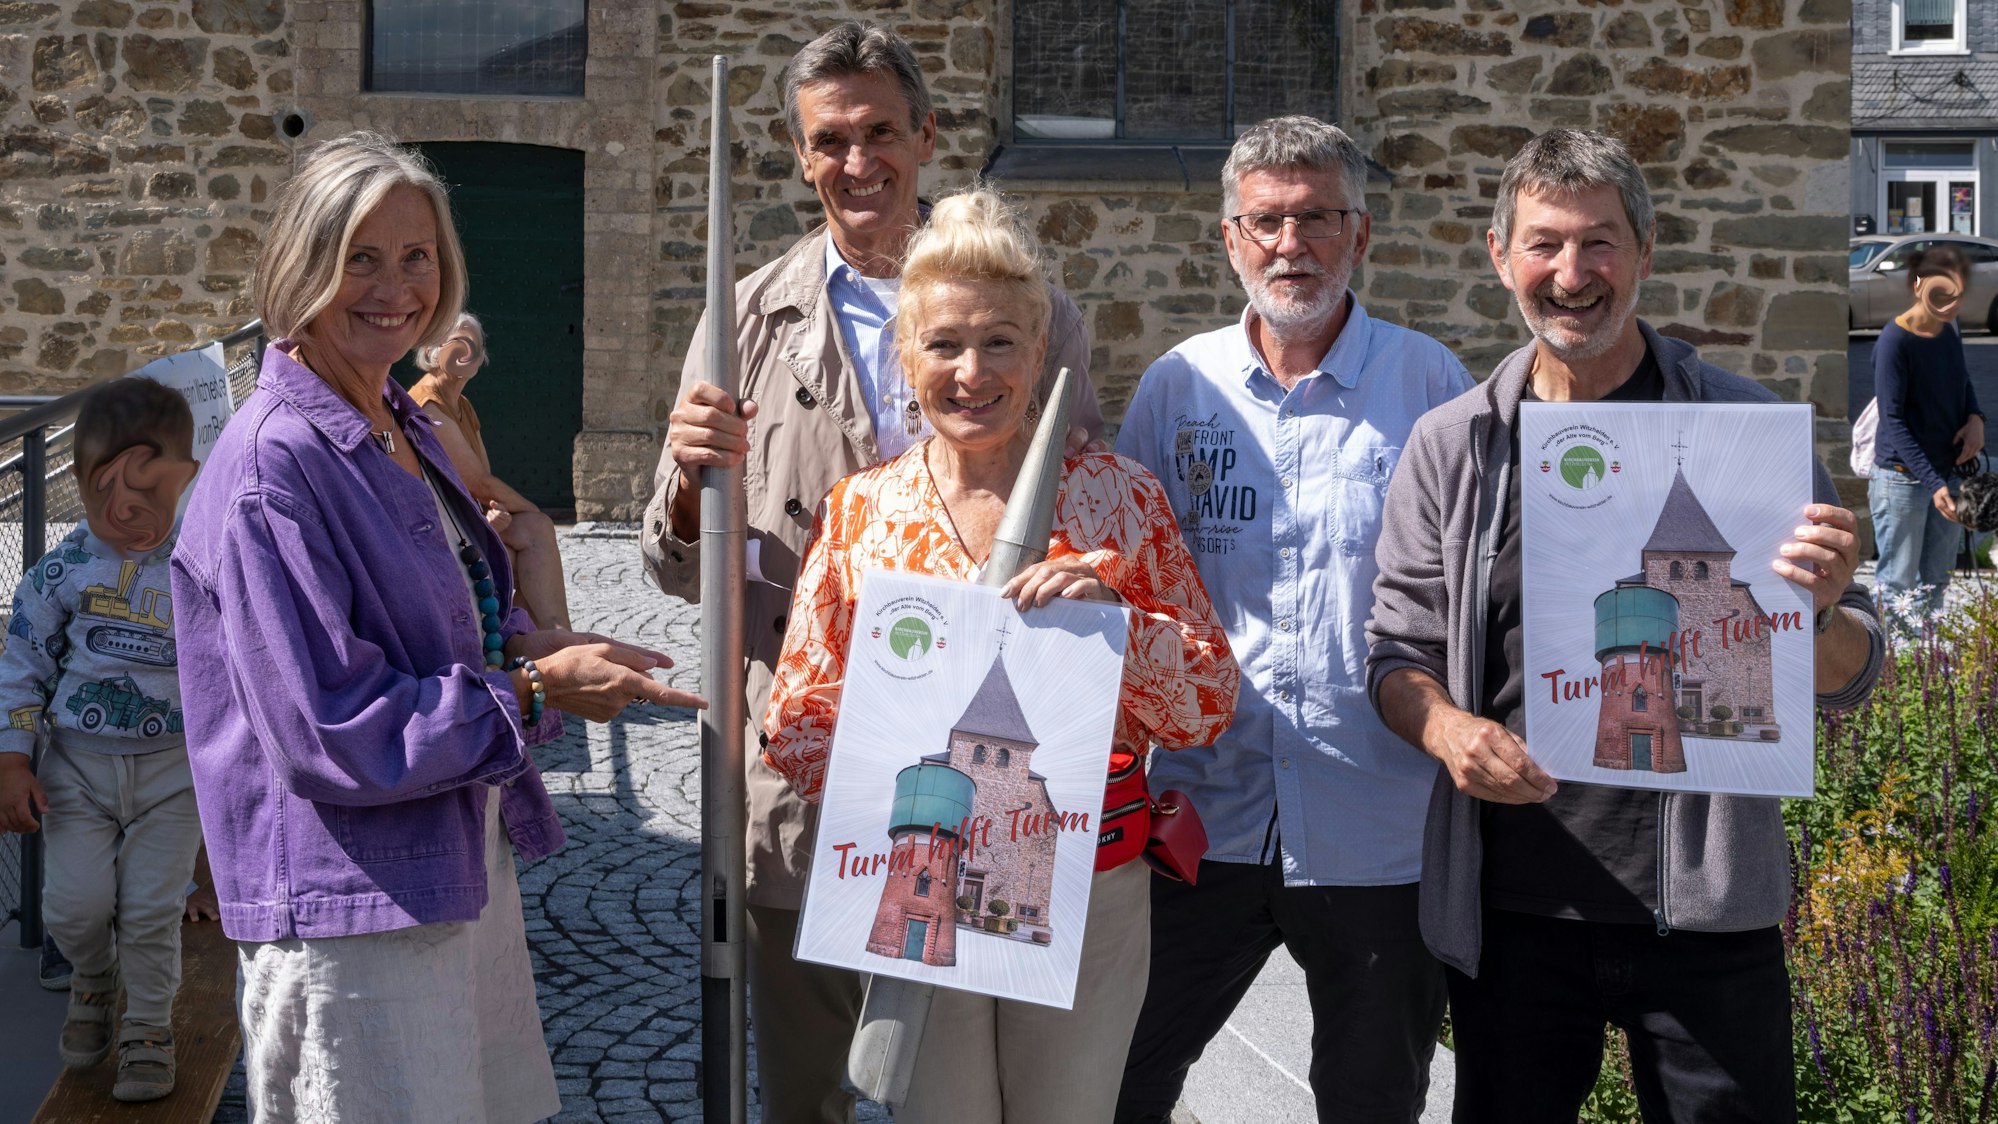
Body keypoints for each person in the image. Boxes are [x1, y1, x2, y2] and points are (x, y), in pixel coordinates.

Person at [170, 132, 704, 1122]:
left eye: (415, 256)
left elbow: (447, 629)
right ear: (301, 266)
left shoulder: (400, 421)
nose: (394, 286)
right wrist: (538, 691)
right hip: (349, 911)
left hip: (455, 869)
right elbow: (330, 726)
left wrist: (535, 649)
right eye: (358, 257)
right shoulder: (272, 468)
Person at [1365, 129, 1885, 1123]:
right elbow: (1398, 651)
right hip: (1518, 908)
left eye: (1599, 242)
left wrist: (1814, 616)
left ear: (1644, 253)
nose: (1572, 272)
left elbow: (1853, 672)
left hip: (1708, 910)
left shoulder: (1742, 433)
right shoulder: (1455, 445)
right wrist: (1444, 728)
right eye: (1545, 243)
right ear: (1498, 255)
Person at [638, 21, 1103, 1121]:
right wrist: (690, 481)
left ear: (926, 135)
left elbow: (1082, 508)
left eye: (880, 132)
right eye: (830, 140)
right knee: (811, 1093)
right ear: (800, 156)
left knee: (965, 1094)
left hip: (980, 769)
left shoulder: (1032, 307)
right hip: (804, 769)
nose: (858, 163)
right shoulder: (746, 316)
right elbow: (669, 564)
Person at [762, 185, 1238, 1124]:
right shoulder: (864, 511)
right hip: (920, 861)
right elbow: (797, 717)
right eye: (944, 344)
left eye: (999, 343)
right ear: (908, 356)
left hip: (1081, 882)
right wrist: (891, 766)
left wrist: (1119, 627)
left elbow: (1208, 699)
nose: (971, 371)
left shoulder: (1114, 499)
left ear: (1040, 353)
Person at [1112, 116, 1469, 1124]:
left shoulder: (1432, 388)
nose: (1289, 243)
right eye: (1265, 220)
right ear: (1229, 237)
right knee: (1117, 1076)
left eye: (1316, 217)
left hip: (1378, 824)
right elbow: (1136, 574)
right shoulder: (1179, 386)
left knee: (1371, 1097)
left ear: (1359, 235)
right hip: (1203, 813)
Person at [0, 377, 203, 1103]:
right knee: (72, 909)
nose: (124, 516)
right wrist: (11, 758)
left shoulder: (204, 567)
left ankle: (148, 1028)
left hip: (173, 775)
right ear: (75, 488)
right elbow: (20, 665)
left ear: (187, 480)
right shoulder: (59, 573)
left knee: (151, 909)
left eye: (148, 497)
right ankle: (94, 978)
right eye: (101, 497)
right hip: (76, 775)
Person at [411, 311, 575, 631]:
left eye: (475, 345)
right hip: (441, 524)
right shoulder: (428, 403)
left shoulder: (464, 406)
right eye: (459, 343)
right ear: (433, 351)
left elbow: (482, 480)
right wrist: (526, 508)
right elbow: (479, 483)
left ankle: (555, 636)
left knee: (533, 533)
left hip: (467, 516)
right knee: (526, 540)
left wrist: (497, 512)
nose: (468, 352)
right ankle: (556, 638)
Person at [1869, 243, 1986, 619]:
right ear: (1918, 285)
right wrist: (1934, 485)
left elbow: (1961, 381)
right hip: (1903, 480)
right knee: (1898, 583)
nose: (1949, 305)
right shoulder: (1895, 341)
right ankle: (1891, 669)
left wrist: (1976, 419)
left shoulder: (1949, 329)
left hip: (1948, 473)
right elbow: (1893, 422)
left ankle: (1924, 660)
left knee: (1938, 577)